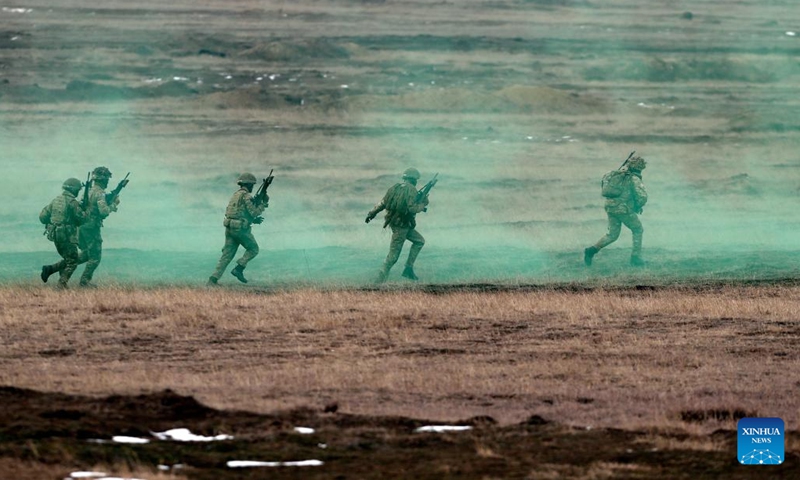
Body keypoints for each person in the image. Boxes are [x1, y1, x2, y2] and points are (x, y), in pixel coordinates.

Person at [365, 167, 430, 283]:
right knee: (393, 256)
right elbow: (412, 209)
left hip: (401, 225)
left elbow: (382, 203)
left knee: (419, 241)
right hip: (401, 227)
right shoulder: (411, 190)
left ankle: (408, 268)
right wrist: (422, 205)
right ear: (414, 179)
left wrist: (371, 213)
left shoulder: (394, 188)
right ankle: (379, 279)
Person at [584, 155, 648, 266]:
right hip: (624, 209)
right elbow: (642, 196)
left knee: (612, 235)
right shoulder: (634, 178)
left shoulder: (615, 175)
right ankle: (635, 258)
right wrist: (638, 206)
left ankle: (591, 251)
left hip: (610, 207)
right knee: (638, 229)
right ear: (640, 167)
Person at [208, 172, 267, 285]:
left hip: (230, 228)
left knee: (226, 255)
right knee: (253, 249)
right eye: (252, 185)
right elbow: (254, 212)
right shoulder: (246, 196)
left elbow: (237, 213)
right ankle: (239, 268)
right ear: (249, 185)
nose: (252, 188)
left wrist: (252, 221)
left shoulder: (235, 195)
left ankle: (213, 279)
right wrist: (263, 205)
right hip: (240, 230)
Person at [76, 166, 123, 286]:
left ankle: (56, 267)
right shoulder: (100, 193)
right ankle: (84, 282)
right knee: (95, 257)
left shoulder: (88, 191)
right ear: (103, 180)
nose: (107, 182)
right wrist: (113, 205)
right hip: (92, 227)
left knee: (86, 254)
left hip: (82, 226)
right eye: (107, 180)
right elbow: (104, 212)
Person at [39, 178, 86, 288]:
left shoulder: (55, 200)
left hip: (55, 235)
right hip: (67, 236)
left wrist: (52, 223)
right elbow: (81, 219)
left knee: (68, 258)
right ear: (74, 190)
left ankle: (49, 270)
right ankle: (61, 285)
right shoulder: (73, 203)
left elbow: (42, 217)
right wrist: (84, 210)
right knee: (73, 262)